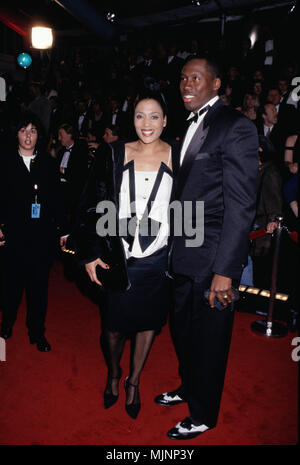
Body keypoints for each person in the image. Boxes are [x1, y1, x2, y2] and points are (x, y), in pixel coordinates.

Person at [154, 55, 258, 439]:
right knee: (183, 331)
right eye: (182, 78)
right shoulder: (188, 127)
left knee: (210, 340)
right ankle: (188, 387)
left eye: (195, 78)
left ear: (216, 85)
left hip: (213, 257)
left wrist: (226, 270)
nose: (186, 85)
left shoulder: (236, 126)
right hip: (183, 253)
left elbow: (241, 202)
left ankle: (203, 413)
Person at [75, 93, 176, 419]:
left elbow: (193, 207)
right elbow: (92, 202)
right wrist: (88, 253)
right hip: (118, 256)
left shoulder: (178, 154)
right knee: (114, 327)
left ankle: (134, 382)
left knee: (148, 324)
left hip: (158, 259)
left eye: (154, 116)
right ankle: (115, 372)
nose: (147, 124)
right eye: (140, 116)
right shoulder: (114, 152)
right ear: (131, 120)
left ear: (165, 120)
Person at [0, 112, 68, 351]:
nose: (28, 136)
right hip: (13, 234)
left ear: (39, 135)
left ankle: (37, 332)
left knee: (39, 288)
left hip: (42, 236)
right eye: (23, 130)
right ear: (16, 134)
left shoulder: (48, 163)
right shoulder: (5, 162)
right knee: (11, 285)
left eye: (33, 131)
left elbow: (58, 200)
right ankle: (6, 324)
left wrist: (63, 230)